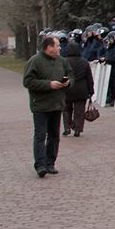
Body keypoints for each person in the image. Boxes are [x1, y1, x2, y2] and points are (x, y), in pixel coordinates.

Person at [23, 35, 73, 177]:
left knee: (54, 136)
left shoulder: (62, 61)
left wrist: (67, 82)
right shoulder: (35, 61)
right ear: (49, 47)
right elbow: (28, 81)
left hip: (57, 104)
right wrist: (48, 84)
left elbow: (71, 75)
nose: (59, 48)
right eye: (57, 45)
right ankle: (40, 165)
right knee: (40, 135)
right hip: (40, 105)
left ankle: (50, 163)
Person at [62, 41, 93, 137]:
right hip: (81, 89)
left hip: (68, 88)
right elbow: (89, 77)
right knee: (79, 110)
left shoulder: (64, 62)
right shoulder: (84, 62)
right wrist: (91, 90)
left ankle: (67, 127)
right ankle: (78, 129)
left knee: (66, 109)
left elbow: (61, 76)